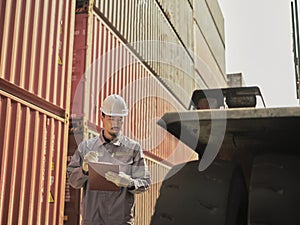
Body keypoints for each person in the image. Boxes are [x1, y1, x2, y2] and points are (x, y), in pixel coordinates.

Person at [67, 94, 151, 225]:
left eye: (119, 119)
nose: (115, 124)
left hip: (121, 222)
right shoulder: (86, 147)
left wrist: (129, 182)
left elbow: (145, 183)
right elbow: (72, 181)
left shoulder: (133, 149)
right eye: (111, 119)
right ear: (102, 117)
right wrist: (83, 169)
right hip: (92, 221)